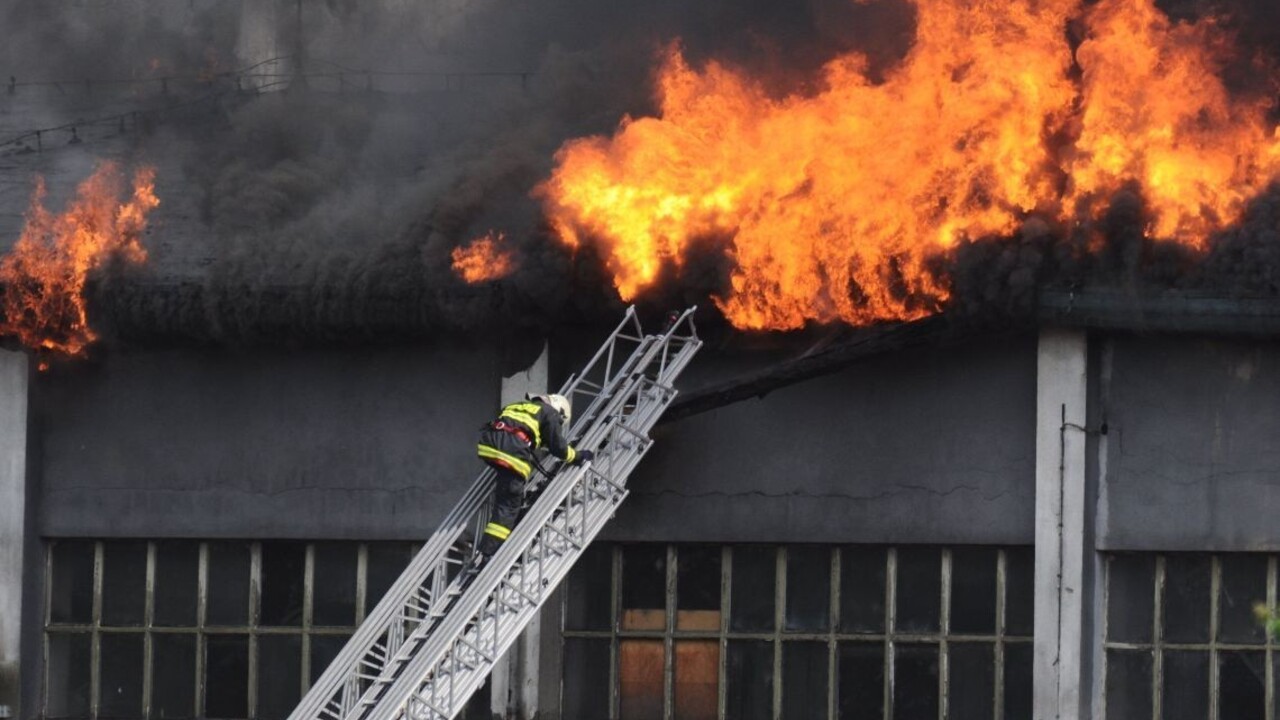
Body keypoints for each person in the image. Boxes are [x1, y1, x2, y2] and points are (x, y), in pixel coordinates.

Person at [474, 393, 593, 562]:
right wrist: (579, 456)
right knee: (509, 504)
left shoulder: (519, 405)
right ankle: (489, 554)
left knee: (506, 492)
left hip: (490, 446)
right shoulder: (551, 413)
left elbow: (520, 428)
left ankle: (491, 546)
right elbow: (559, 448)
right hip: (511, 453)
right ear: (560, 410)